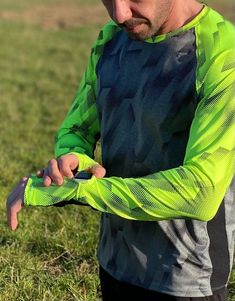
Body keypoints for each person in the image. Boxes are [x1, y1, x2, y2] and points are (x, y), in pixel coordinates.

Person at [6, 0, 235, 300]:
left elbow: (200, 191)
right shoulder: (111, 38)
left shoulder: (223, 52)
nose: (119, 14)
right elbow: (77, 129)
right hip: (114, 263)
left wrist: (83, 192)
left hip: (184, 277)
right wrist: (73, 161)